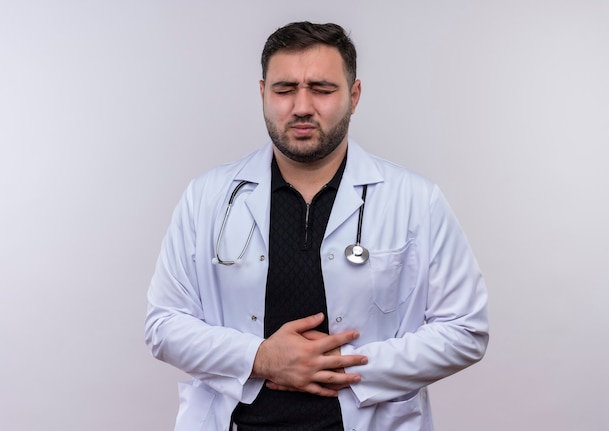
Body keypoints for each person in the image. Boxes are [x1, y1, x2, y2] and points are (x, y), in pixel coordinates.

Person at [145, 21, 489, 431]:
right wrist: (260, 358)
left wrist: (346, 367)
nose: (302, 106)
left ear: (354, 95)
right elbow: (164, 324)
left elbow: (466, 329)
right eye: (284, 89)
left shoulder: (414, 200)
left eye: (322, 89)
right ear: (262, 94)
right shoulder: (207, 197)